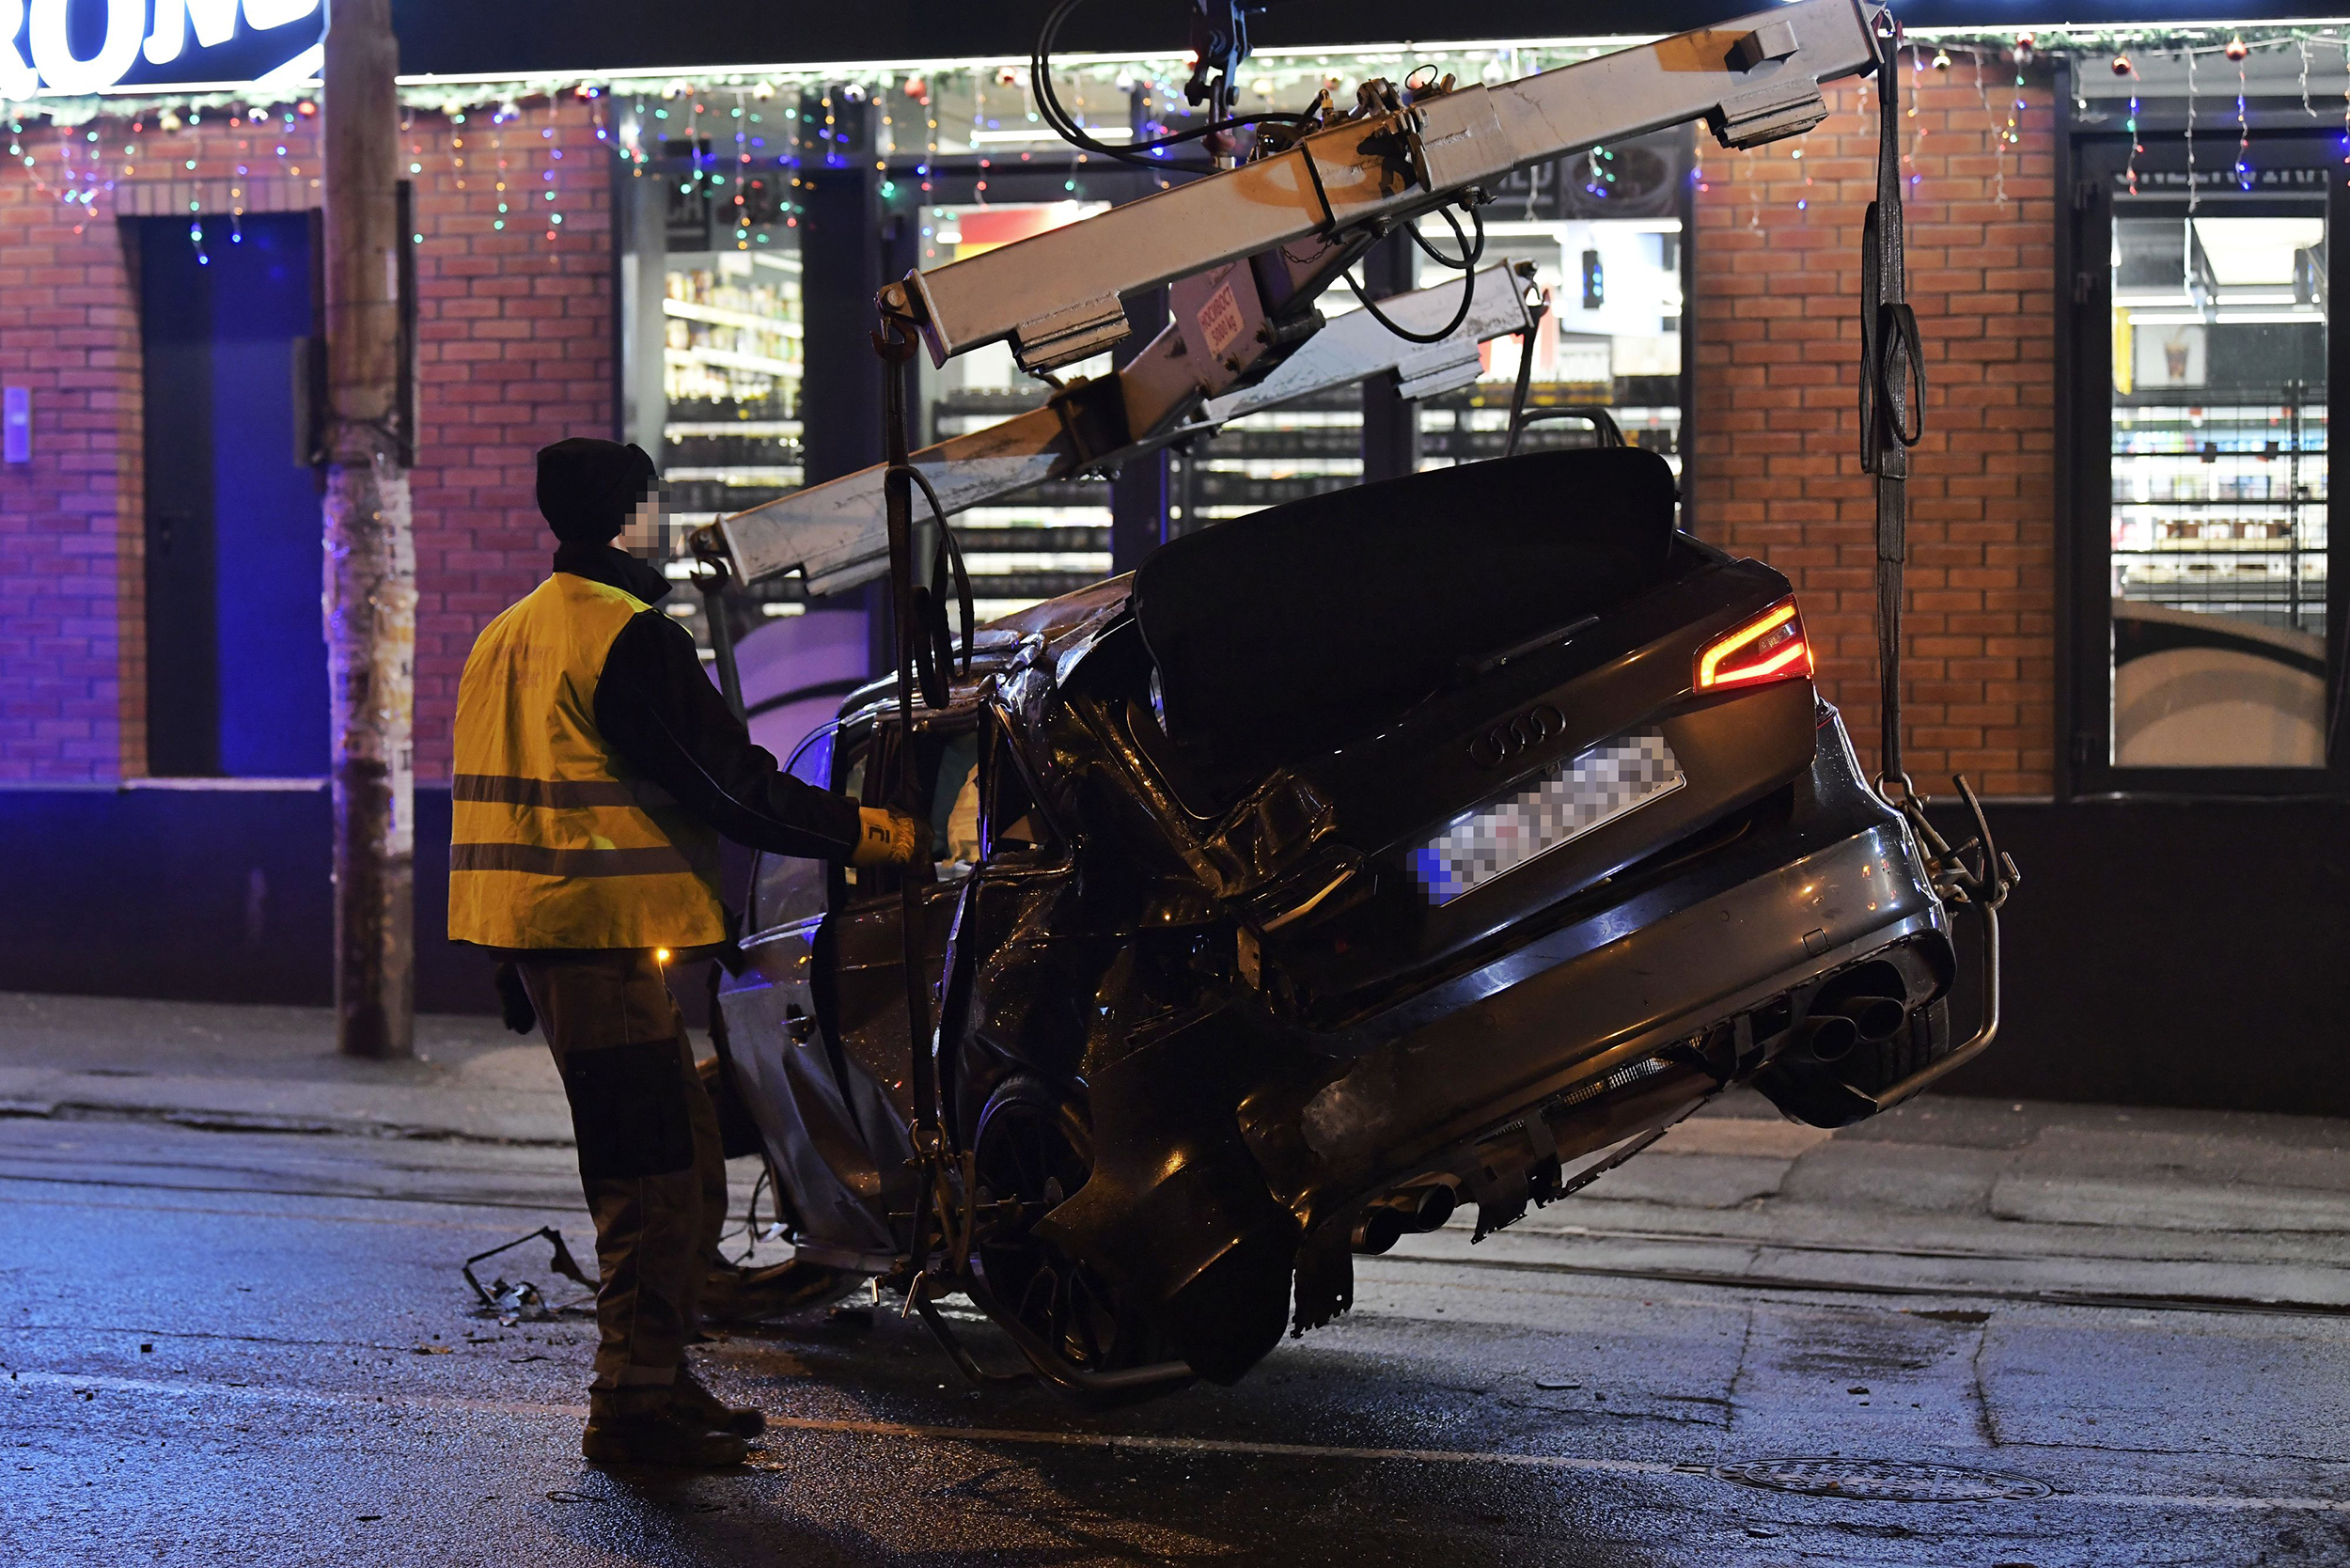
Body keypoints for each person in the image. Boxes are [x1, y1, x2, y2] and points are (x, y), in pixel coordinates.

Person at [448, 437, 922, 1468]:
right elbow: (730, 786)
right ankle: (629, 1408)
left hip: (556, 943)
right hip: (604, 949)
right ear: (630, 515)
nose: (657, 521)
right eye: (650, 505)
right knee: (652, 1180)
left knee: (686, 1161)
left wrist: (504, 957)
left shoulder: (506, 635)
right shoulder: (623, 636)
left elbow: (505, 809)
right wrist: (872, 834)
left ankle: (660, 1378)